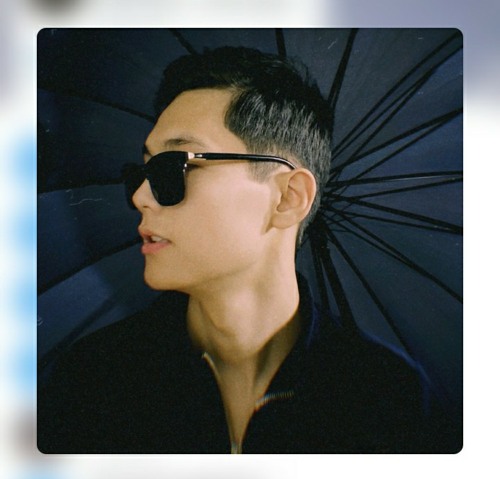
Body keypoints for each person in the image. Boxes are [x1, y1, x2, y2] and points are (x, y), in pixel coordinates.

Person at [38, 46, 461, 454]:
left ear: (288, 198)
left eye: (173, 167)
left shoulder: (393, 403)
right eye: (142, 172)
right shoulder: (94, 383)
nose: (140, 197)